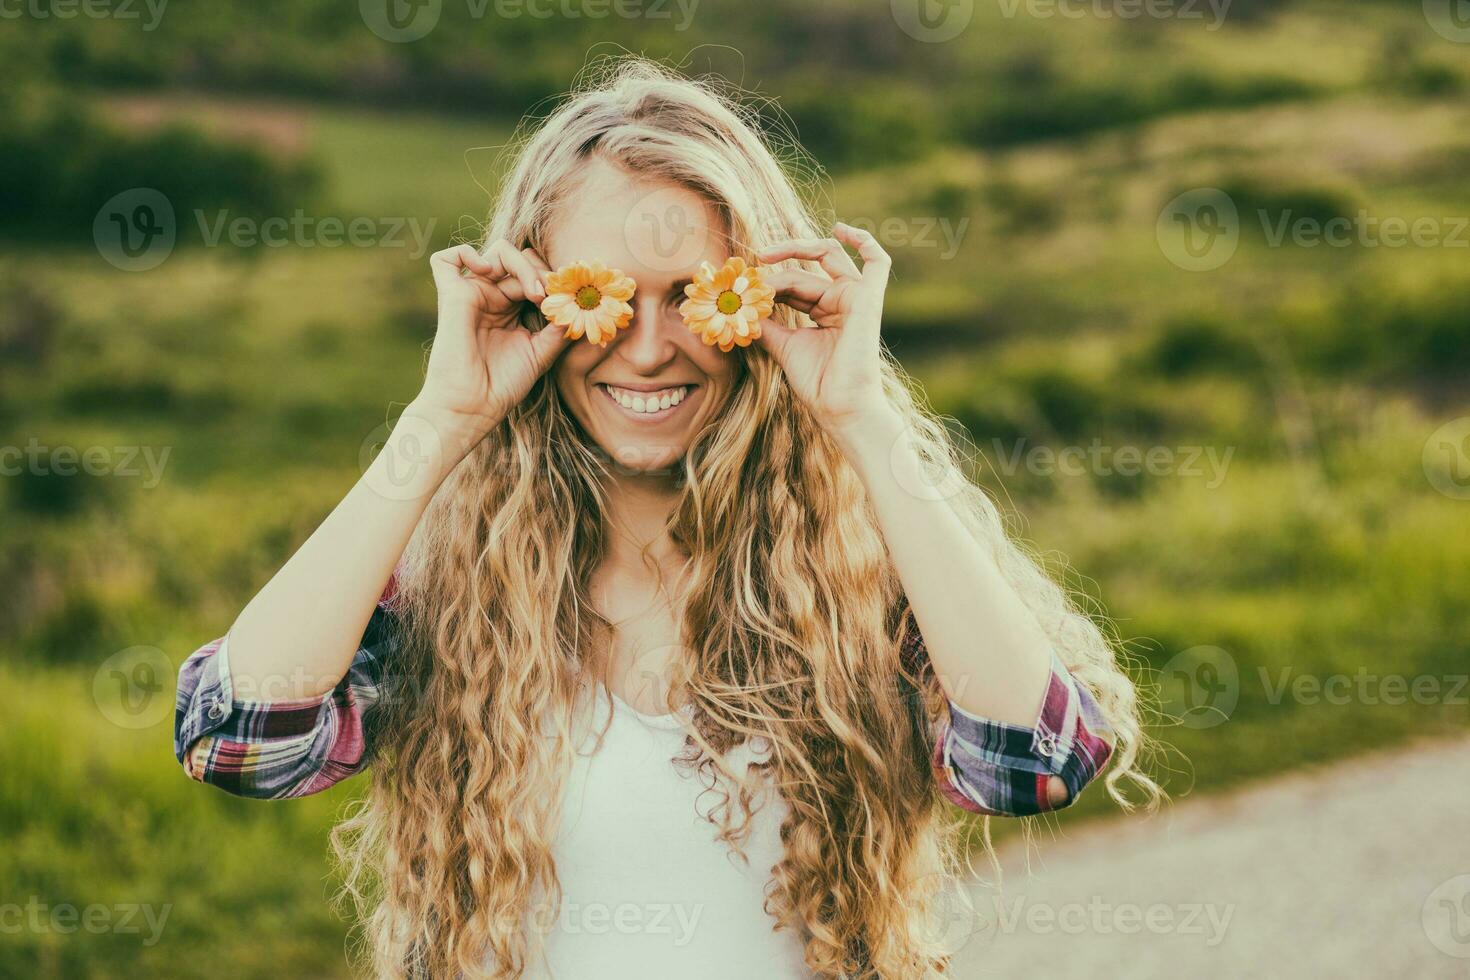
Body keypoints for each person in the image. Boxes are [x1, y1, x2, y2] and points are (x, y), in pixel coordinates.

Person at [173, 59, 1155, 980]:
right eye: (600, 296)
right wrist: (441, 421)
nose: (648, 350)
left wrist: (862, 415)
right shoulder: (450, 584)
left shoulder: (856, 569)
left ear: (762, 297)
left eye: (694, 295)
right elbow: (239, 737)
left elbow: (1036, 761)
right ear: (530, 298)